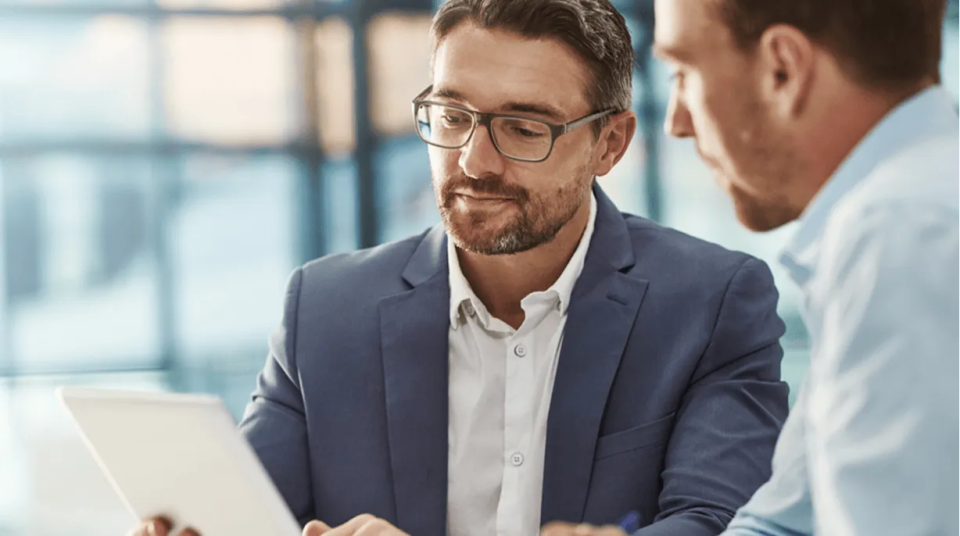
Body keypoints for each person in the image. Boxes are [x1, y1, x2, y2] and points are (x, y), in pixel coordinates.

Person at [130, 1, 792, 535]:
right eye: (452, 116)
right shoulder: (325, 310)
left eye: (524, 128)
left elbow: (717, 523)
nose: (474, 161)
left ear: (609, 144)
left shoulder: (711, 303)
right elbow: (250, 517)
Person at [549, 0, 960, 534]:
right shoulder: (910, 213)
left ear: (782, 70)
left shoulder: (901, 234)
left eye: (684, 71)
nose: (676, 122)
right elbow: (786, 521)